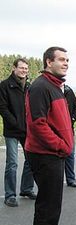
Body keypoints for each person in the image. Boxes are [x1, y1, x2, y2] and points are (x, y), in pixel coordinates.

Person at [25, 46, 74, 225]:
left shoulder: (55, 86)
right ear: (48, 62)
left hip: (54, 155)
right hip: (46, 155)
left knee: (52, 206)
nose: (65, 63)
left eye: (67, 60)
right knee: (48, 208)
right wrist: (61, 145)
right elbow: (38, 124)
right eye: (61, 59)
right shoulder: (41, 87)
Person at [0, 58, 36, 207]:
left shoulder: (28, 86)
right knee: (12, 163)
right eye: (21, 68)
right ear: (14, 68)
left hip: (27, 130)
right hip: (12, 130)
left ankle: (26, 189)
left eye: (26, 69)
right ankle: (10, 195)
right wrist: (14, 122)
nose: (24, 71)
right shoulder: (4, 86)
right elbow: (2, 108)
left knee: (31, 160)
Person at [64, 84, 76, 188]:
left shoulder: (68, 90)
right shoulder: (49, 90)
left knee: (70, 154)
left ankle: (71, 179)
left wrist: (72, 119)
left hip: (69, 129)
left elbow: (75, 106)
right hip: (55, 130)